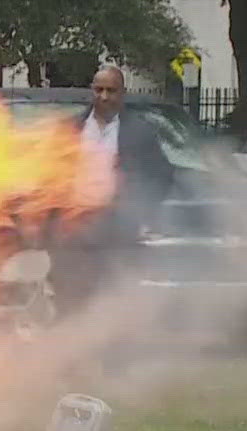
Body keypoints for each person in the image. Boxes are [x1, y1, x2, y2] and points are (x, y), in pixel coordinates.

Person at [50, 64, 177, 310]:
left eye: (111, 90)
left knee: (112, 297)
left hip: (117, 230)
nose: (104, 97)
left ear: (122, 94)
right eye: (99, 90)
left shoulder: (140, 132)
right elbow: (48, 174)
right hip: (73, 229)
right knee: (70, 296)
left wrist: (142, 211)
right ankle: (71, 343)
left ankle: (110, 343)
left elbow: (163, 174)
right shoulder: (69, 128)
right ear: (91, 91)